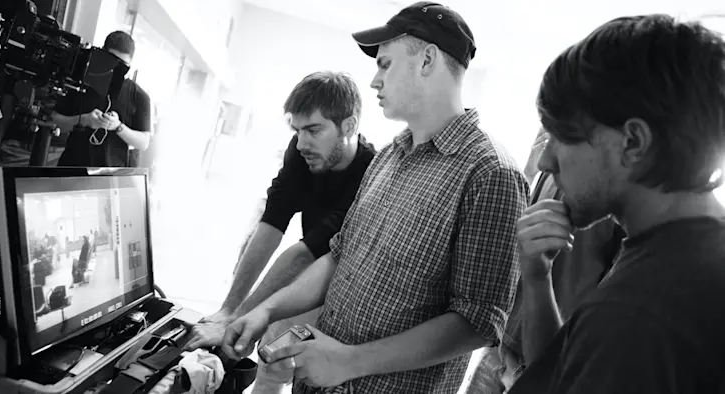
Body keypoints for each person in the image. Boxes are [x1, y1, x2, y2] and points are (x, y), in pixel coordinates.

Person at [222, 3, 529, 393]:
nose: (374, 81)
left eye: (385, 64)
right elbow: (338, 254)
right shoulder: (388, 157)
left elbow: (479, 322)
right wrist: (267, 309)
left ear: (427, 61)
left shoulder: (491, 173)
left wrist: (349, 361)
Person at [509, 14, 725, 394]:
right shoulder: (671, 252)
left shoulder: (644, 312)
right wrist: (537, 279)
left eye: (562, 137)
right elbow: (559, 376)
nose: (545, 162)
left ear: (632, 143)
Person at [183, 71, 376, 393]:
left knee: (301, 371)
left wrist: (238, 320)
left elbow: (304, 254)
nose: (301, 142)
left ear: (349, 126)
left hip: (345, 295)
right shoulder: (303, 151)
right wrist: (229, 310)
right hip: (307, 276)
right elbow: (272, 223)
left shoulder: (370, 176)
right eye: (297, 130)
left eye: (314, 130)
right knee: (268, 355)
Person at [465, 129, 625, 393]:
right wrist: (529, 172)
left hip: (551, 351)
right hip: (505, 342)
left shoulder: (612, 200)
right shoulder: (549, 169)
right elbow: (524, 237)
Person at [51, 31, 152, 167]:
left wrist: (118, 126)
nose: (116, 69)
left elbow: (144, 143)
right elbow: (54, 119)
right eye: (112, 61)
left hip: (110, 177)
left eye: (122, 66)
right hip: (72, 167)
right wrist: (83, 120)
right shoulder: (82, 81)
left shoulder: (139, 96)